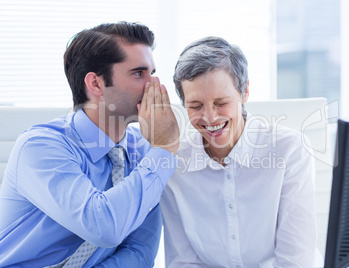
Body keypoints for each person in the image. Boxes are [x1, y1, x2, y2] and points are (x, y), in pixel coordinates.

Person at [0, 21, 179, 267]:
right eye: (139, 73)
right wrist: (164, 149)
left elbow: (140, 251)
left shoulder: (145, 152)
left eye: (153, 73)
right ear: (95, 84)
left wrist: (159, 151)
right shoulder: (40, 147)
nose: (155, 86)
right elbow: (102, 225)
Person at [160, 36, 317, 267]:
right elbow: (183, 261)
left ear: (244, 92)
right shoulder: (174, 165)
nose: (210, 117)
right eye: (195, 106)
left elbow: (295, 260)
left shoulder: (289, 150)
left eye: (221, 102)